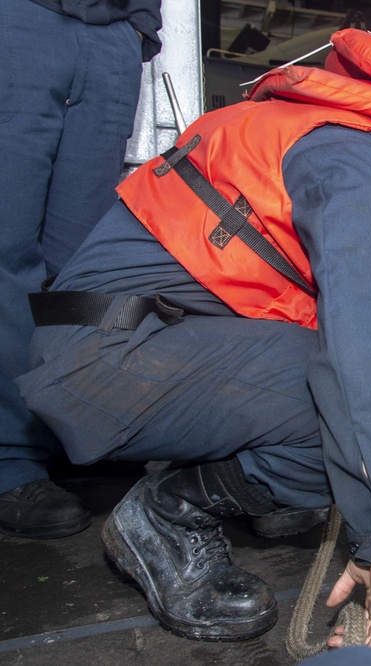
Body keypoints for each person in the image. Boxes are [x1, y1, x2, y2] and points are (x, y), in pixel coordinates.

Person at [16, 29, 371, 644]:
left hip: (119, 331)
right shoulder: (359, 167)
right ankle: (166, 514)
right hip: (100, 359)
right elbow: (370, 371)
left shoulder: (339, 131)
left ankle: (248, 477)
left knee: (349, 392)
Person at [0, 0, 162, 539]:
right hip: (20, 20)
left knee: (82, 266)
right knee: (7, 250)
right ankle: (11, 457)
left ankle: (76, 432)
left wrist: (138, 27)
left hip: (111, 32)